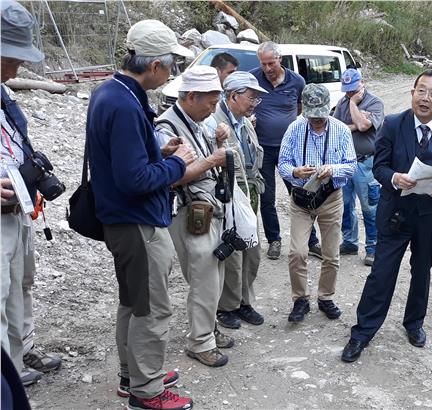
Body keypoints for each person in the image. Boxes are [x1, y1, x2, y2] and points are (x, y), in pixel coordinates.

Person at [87, 19, 196, 410]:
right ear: (154, 65)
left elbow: (125, 163)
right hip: (136, 222)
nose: (171, 75)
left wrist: (157, 155)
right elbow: (134, 180)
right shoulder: (123, 102)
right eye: (171, 67)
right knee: (151, 307)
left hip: (122, 219)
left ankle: (131, 375)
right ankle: (146, 391)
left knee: (133, 301)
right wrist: (177, 165)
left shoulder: (111, 92)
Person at [341, 70, 432, 362]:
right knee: (382, 273)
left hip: (430, 217)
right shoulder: (393, 125)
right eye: (420, 91)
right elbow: (379, 167)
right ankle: (362, 332)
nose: (425, 98)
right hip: (396, 213)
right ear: (412, 93)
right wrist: (395, 178)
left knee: (421, 272)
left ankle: (414, 324)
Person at [1, 0, 62, 387]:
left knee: (20, 284)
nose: (17, 67)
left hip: (16, 209)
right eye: (10, 56)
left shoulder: (4, 93)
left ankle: (18, 356)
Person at [156, 66, 233, 369]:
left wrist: (219, 139)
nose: (214, 109)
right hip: (189, 212)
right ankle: (200, 342)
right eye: (211, 102)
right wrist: (213, 160)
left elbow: (207, 147)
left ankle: (209, 329)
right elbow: (171, 178)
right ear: (190, 96)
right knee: (203, 277)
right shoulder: (165, 128)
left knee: (215, 273)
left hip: (209, 207)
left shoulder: (203, 119)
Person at [278, 84, 356, 323]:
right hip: (301, 199)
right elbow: (282, 163)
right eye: (312, 116)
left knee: (331, 254)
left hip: (331, 198)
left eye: (321, 116)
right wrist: (295, 172)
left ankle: (325, 297)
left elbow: (352, 166)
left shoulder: (342, 131)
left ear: (328, 109)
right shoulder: (294, 129)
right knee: (297, 252)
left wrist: (333, 169)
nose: (317, 121)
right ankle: (300, 299)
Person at [204, 71, 266, 329]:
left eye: (256, 99)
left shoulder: (245, 121)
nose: (254, 103)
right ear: (233, 96)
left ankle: (245, 301)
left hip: (249, 192)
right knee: (232, 251)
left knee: (252, 250)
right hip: (229, 193)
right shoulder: (212, 123)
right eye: (251, 97)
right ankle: (227, 306)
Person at [251, 41, 320, 260]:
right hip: (262, 149)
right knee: (267, 198)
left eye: (271, 63)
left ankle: (311, 241)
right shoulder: (253, 78)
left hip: (289, 149)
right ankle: (274, 240)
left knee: (300, 192)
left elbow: (300, 108)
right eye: (263, 64)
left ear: (280, 59)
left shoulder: (297, 81)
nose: (268, 68)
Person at [333, 68, 384, 267]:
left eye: (352, 90)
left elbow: (364, 126)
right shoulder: (342, 102)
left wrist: (354, 107)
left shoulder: (375, 102)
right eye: (347, 91)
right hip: (345, 162)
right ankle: (350, 241)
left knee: (370, 207)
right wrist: (354, 120)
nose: (349, 94)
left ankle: (372, 247)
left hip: (365, 163)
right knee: (345, 205)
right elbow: (335, 127)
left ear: (361, 83)